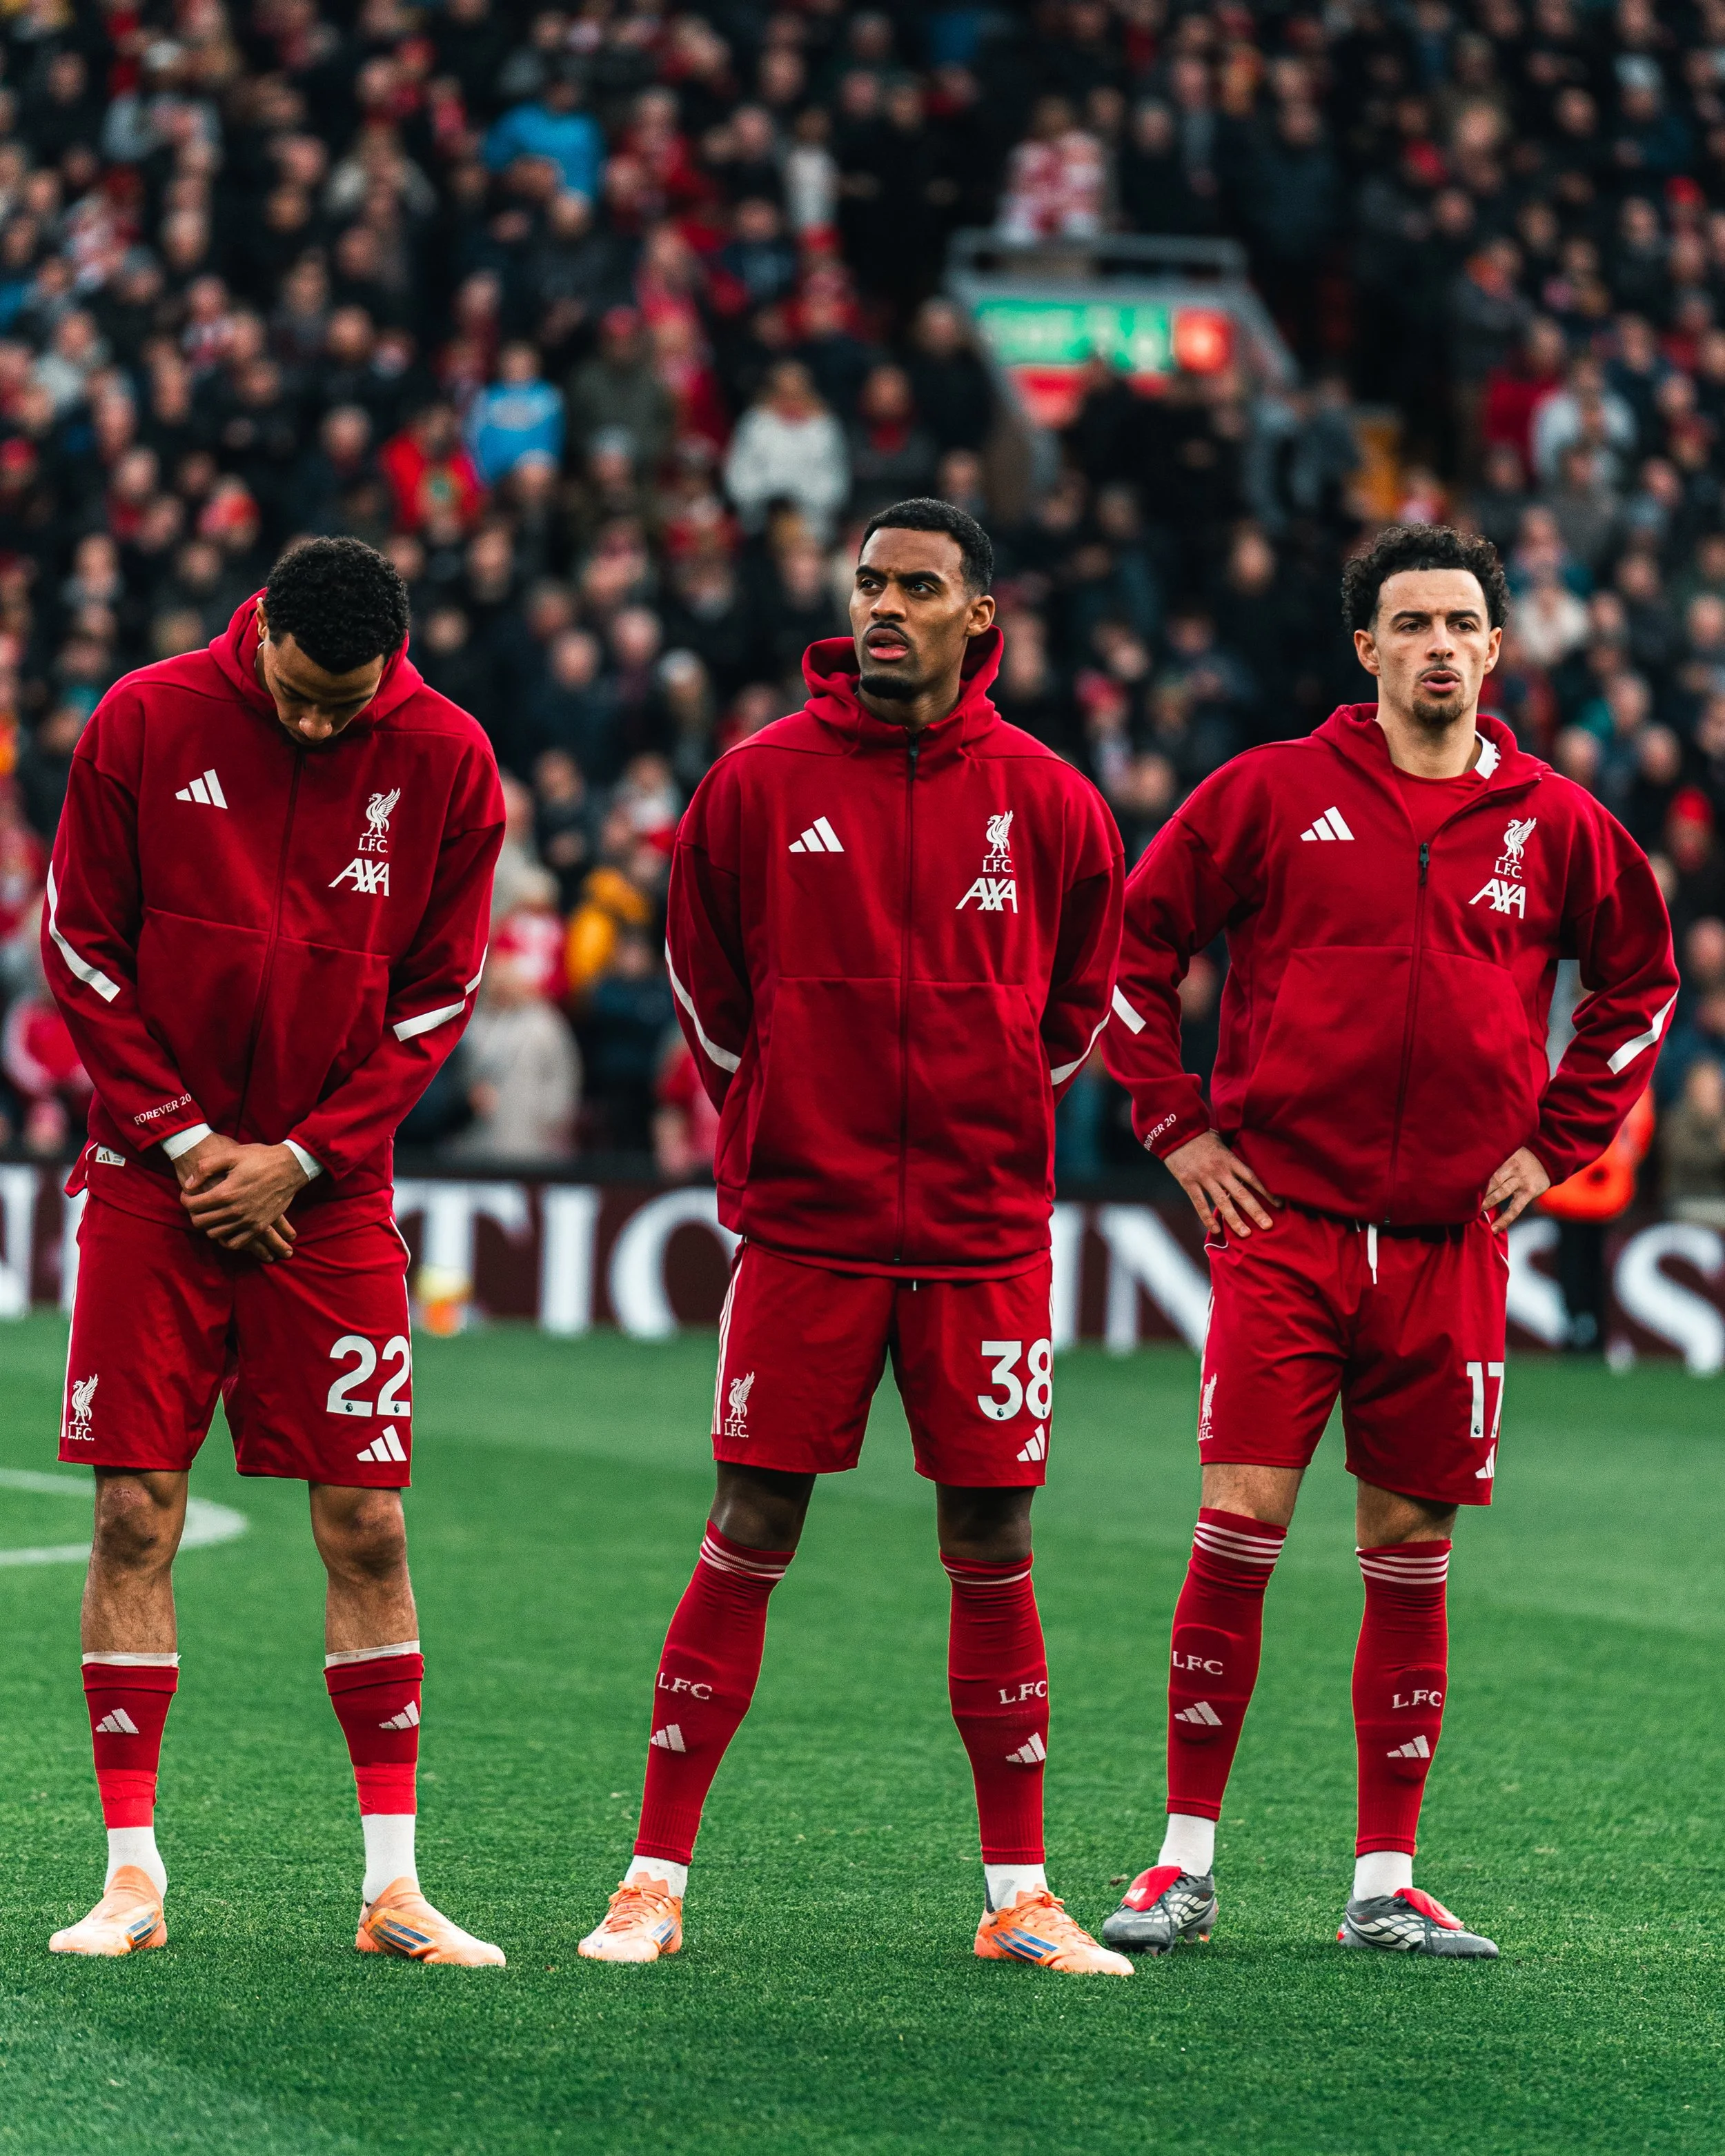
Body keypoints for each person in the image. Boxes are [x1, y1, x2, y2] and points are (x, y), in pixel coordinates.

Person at [1101, 524, 1677, 1961]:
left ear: (1494, 648)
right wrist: (1176, 1126)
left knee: (1408, 1546)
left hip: (1446, 1244)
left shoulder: (1555, 822)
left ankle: (1382, 1879)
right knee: (1237, 1520)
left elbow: (1638, 984)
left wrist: (1558, 1138)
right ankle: (1179, 1862)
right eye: (1408, 622)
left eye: (1459, 622)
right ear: (1364, 650)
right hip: (1283, 1227)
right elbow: (1130, 946)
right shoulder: (1268, 792)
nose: (1436, 644)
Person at [578, 499, 1129, 1975]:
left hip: (981, 1233)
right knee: (750, 1519)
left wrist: (1003, 1097)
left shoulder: (1055, 801)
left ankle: (1017, 1891)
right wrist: (768, 1106)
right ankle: (652, 1877)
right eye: (870, 582)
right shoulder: (754, 785)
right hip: (808, 1225)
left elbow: (1082, 999)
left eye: (918, 586)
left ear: (978, 614)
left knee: (992, 1534)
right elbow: (702, 982)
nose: (884, 606)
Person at [41, 537, 508, 1966]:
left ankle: (393, 1887)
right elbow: (80, 943)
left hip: (332, 1196)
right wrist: (187, 1139)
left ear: (391, 663)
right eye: (299, 696)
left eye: (343, 703)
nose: (317, 723)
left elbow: (443, 991)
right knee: (134, 1509)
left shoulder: (447, 755)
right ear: (261, 641)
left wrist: (297, 1156)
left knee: (366, 1520)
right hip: (149, 1179)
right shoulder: (146, 715)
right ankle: (132, 1874)